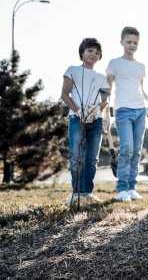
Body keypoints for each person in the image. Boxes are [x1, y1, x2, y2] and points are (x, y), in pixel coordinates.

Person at [106, 26, 148, 202]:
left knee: (136, 151)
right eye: (128, 42)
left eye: (135, 42)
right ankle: (121, 189)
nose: (132, 45)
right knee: (126, 148)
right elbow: (108, 89)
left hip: (140, 110)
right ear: (122, 42)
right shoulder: (114, 63)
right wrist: (105, 111)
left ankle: (131, 187)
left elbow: (141, 89)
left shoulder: (140, 67)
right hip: (122, 111)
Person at [61, 38, 110, 205]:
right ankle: (76, 193)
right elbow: (65, 95)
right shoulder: (72, 70)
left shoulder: (102, 78)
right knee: (76, 156)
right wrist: (79, 111)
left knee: (91, 158)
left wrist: (96, 112)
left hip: (95, 120)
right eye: (90, 51)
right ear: (82, 53)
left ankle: (87, 192)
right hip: (76, 118)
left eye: (97, 53)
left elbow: (105, 101)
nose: (93, 54)